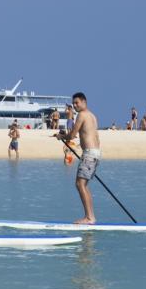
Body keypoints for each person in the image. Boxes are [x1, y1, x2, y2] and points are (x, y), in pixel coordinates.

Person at [57, 92, 100, 225]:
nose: (75, 105)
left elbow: (72, 135)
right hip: (95, 153)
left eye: (77, 103)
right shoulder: (92, 115)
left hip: (89, 154)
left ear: (84, 102)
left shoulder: (81, 115)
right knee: (83, 185)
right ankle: (91, 216)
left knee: (79, 184)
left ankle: (89, 218)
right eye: (73, 103)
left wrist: (61, 136)